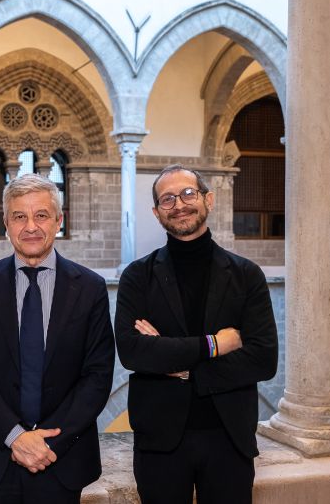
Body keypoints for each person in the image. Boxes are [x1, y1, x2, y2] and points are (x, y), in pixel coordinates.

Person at [115, 164, 278, 504]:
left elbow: (263, 359)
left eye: (188, 194)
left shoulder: (247, 275)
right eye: (168, 199)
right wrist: (215, 345)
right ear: (157, 212)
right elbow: (133, 352)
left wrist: (178, 365)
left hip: (228, 438)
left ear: (209, 200)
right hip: (159, 442)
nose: (179, 205)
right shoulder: (137, 276)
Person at [0, 173, 115, 503]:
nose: (31, 227)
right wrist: (15, 436)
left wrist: (47, 443)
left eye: (41, 215)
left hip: (61, 458)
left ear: (58, 221)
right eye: (19, 217)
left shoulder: (91, 288)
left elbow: (97, 377)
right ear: (6, 224)